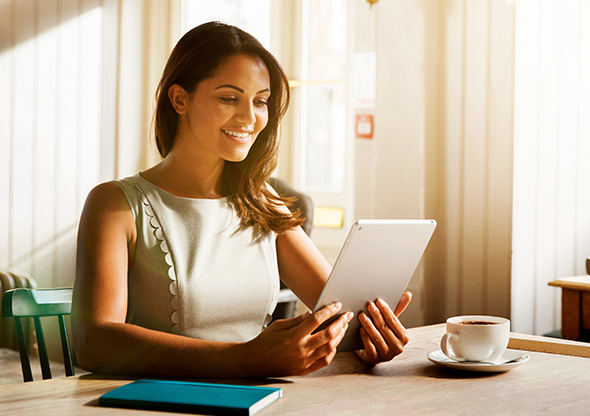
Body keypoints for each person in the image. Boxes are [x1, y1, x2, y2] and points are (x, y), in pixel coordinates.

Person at [71, 21, 411, 378]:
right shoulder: (114, 205)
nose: (250, 117)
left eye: (261, 101)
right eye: (229, 98)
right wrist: (241, 359)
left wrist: (367, 334)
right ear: (179, 99)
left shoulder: (263, 203)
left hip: (262, 397)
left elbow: (339, 311)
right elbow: (93, 341)